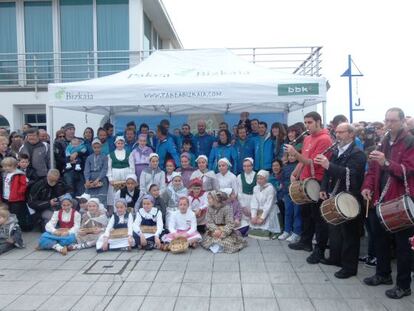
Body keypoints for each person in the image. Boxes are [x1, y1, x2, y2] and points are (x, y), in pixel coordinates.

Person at [361, 107, 414, 299]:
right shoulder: (383, 141)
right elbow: (372, 169)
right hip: (380, 200)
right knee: (380, 239)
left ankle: (404, 285)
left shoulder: (410, 141)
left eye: (392, 121)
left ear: (402, 122)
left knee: (403, 246)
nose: (388, 124)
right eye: (387, 120)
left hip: (399, 201)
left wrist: (386, 163)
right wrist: (367, 186)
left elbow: (407, 171)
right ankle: (383, 274)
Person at [314, 123, 367, 279]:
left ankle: (349, 267)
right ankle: (335, 258)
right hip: (336, 193)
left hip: (351, 197)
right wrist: (323, 188)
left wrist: (327, 164)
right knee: (335, 228)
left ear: (351, 134)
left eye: (341, 132)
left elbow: (351, 174)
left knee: (350, 233)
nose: (337, 135)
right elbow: (327, 173)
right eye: (336, 132)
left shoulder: (358, 153)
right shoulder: (337, 150)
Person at [285, 111, 332, 265]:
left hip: (317, 182)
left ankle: (319, 250)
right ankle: (305, 242)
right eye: (305, 122)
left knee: (319, 219)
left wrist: (294, 154)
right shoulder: (307, 138)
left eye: (310, 122)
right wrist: (295, 172)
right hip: (306, 181)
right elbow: (303, 160)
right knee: (306, 215)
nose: (307, 126)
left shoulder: (325, 139)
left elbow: (313, 162)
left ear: (319, 121)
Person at [249, 170, 280, 239]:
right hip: (259, 209)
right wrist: (253, 216)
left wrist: (262, 218)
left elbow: (269, 204)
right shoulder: (256, 188)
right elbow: (254, 202)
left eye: (261, 178)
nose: (259, 180)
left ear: (266, 179)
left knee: (265, 227)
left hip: (270, 210)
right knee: (253, 226)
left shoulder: (270, 188)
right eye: (258, 178)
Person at [1, 157, 31, 231]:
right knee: (6, 213)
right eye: (4, 166)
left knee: (15, 215)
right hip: (6, 197)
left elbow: (24, 185)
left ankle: (15, 229)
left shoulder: (19, 174)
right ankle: (7, 228)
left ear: (14, 166)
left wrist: (19, 192)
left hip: (16, 199)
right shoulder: (4, 174)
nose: (6, 168)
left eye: (8, 166)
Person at [278, 153, 301, 243]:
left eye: (293, 155)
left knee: (297, 213)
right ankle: (287, 231)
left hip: (297, 193)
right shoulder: (285, 167)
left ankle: (296, 232)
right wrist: (283, 193)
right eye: (290, 156)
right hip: (287, 193)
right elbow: (282, 181)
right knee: (288, 212)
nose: (291, 157)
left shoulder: (299, 165)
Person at [83, 139, 109, 206]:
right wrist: (87, 180)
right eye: (95, 148)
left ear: (101, 147)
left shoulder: (105, 157)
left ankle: (103, 214)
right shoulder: (89, 158)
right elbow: (86, 170)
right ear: (92, 148)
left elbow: (104, 169)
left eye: (98, 147)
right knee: (91, 198)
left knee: (102, 198)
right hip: (91, 179)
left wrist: (98, 179)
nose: (97, 149)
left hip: (101, 178)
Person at [236, 158, 257, 237]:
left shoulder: (256, 175)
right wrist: (243, 206)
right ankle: (245, 229)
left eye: (248, 166)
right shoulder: (239, 176)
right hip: (244, 199)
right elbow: (239, 192)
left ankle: (251, 229)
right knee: (244, 217)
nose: (246, 168)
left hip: (254, 199)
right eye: (244, 166)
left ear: (252, 166)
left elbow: (258, 191)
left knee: (253, 215)